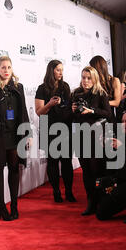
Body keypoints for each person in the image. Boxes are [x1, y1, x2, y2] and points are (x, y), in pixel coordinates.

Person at [0, 56, 31, 221]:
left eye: (9, 67)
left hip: (15, 134)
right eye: (3, 67)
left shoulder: (17, 87)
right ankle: (1, 206)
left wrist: (27, 133)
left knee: (14, 168)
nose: (6, 70)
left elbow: (23, 111)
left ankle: (14, 205)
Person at [71, 66, 112, 216]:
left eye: (88, 78)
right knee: (86, 172)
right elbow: (72, 117)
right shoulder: (76, 93)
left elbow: (109, 115)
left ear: (94, 79)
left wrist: (92, 111)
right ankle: (90, 202)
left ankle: (101, 201)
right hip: (80, 137)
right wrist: (72, 109)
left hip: (96, 138)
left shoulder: (101, 94)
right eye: (83, 77)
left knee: (97, 170)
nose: (85, 81)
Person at [35, 60, 76, 203]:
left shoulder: (65, 87)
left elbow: (70, 107)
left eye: (62, 70)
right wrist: (50, 104)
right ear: (51, 70)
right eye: (58, 70)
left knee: (66, 162)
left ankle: (69, 192)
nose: (61, 72)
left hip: (65, 127)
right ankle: (56, 192)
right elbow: (39, 112)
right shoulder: (42, 89)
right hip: (49, 127)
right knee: (52, 162)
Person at [89, 56, 122, 122]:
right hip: (95, 119)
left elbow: (117, 102)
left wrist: (101, 103)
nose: (91, 71)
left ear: (97, 68)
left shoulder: (115, 80)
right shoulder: (92, 81)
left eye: (92, 68)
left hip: (109, 119)